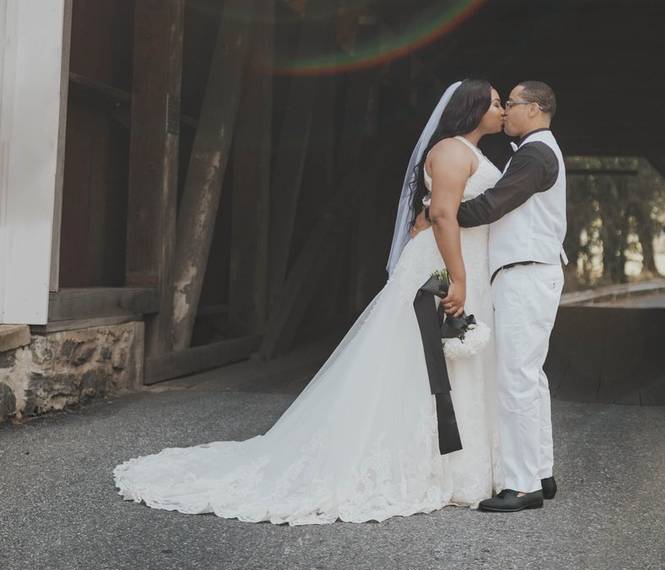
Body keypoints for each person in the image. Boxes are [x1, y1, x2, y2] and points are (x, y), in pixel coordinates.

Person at [114, 80, 506, 525]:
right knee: (418, 360)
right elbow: (440, 214)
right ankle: (425, 463)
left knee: (447, 362)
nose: (502, 110)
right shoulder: (454, 151)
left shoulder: (469, 151)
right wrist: (457, 276)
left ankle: (460, 466)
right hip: (441, 266)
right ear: (473, 108)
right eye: (495, 103)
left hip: (454, 257)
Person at [417, 80, 566, 513]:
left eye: (512, 104)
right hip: (528, 272)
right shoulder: (533, 152)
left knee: (517, 379)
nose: (506, 113)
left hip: (527, 273)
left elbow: (489, 207)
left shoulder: (536, 155)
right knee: (530, 378)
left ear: (535, 109)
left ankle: (522, 486)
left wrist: (436, 212)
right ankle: (540, 471)